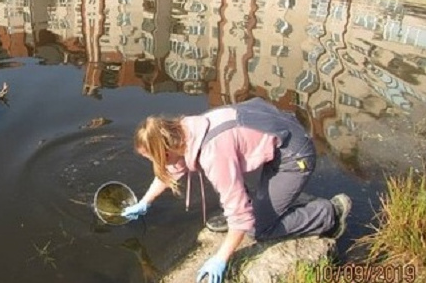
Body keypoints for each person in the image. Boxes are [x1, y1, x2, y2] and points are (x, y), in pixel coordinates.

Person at [121, 97, 352, 283]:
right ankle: (274, 203)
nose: (157, 164)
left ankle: (329, 214)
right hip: (277, 136)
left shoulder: (213, 152)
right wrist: (145, 202)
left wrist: (221, 258)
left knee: (258, 228)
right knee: (243, 203)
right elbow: (172, 170)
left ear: (167, 151)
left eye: (155, 158)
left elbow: (241, 216)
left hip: (295, 155)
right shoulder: (185, 130)